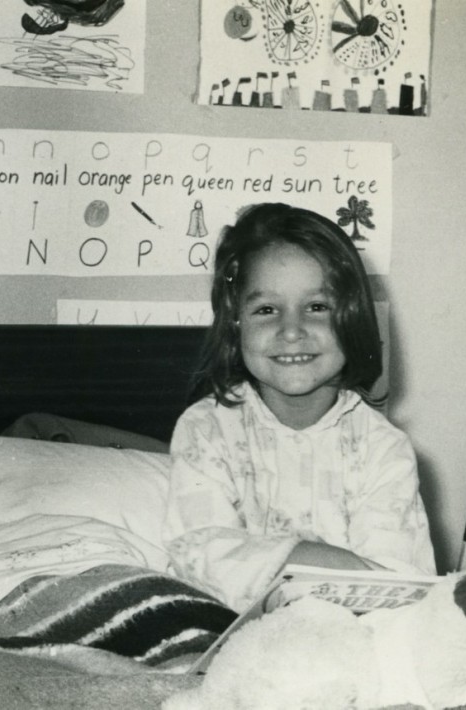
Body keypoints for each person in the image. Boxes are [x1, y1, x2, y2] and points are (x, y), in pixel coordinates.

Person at [163, 202, 435, 610]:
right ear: (236, 324)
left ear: (352, 318)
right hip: (233, 631)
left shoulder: (382, 447)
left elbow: (400, 585)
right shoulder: (206, 428)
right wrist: (315, 560)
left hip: (353, 635)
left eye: (317, 307)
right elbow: (197, 552)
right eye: (267, 310)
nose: (292, 331)